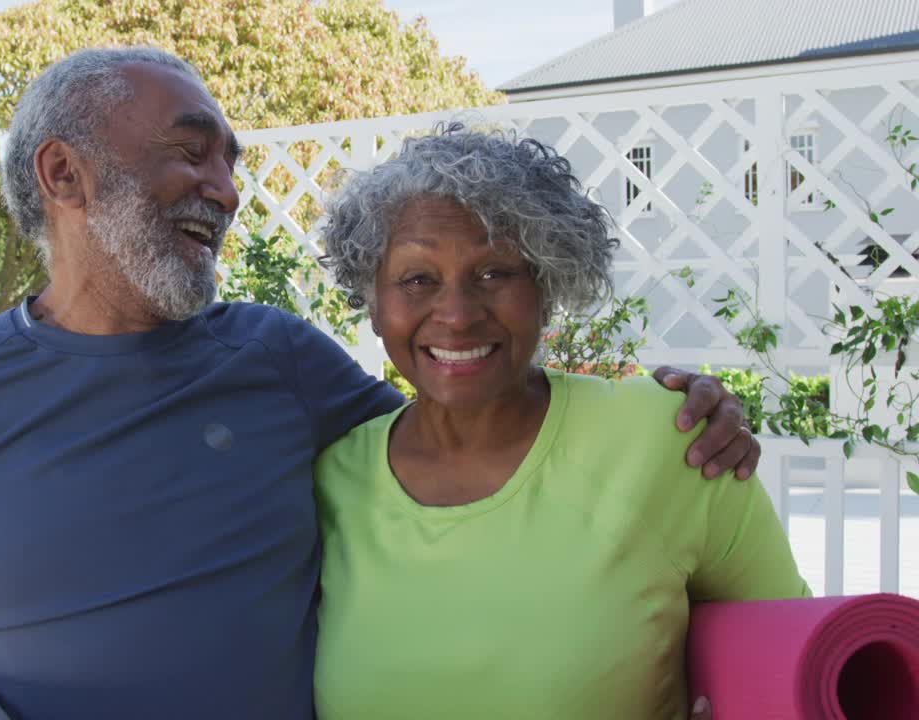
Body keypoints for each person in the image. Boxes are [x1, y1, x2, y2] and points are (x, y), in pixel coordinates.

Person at [0, 48, 762, 719]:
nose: (225, 188)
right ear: (64, 172)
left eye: (231, 160)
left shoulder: (278, 359)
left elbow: (468, 434)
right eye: (192, 150)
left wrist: (681, 413)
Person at [312, 126, 811, 720]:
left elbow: (801, 658)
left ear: (547, 288)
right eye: (417, 279)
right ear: (374, 306)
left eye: (494, 273)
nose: (457, 314)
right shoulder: (332, 480)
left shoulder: (667, 437)